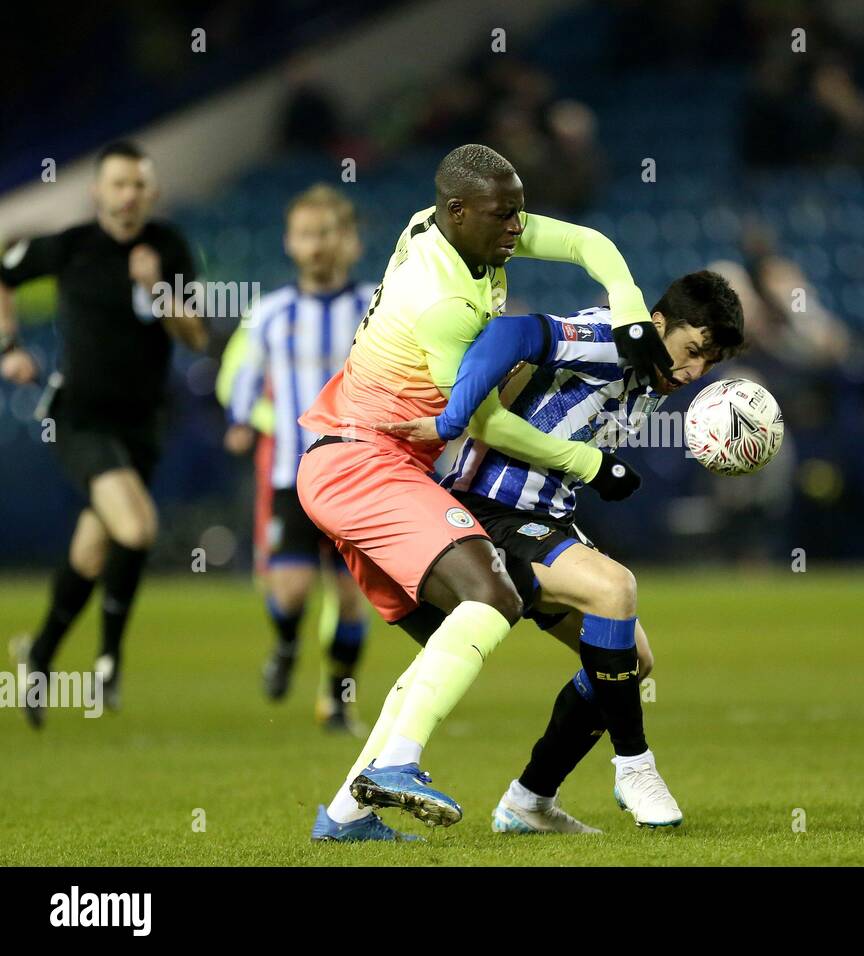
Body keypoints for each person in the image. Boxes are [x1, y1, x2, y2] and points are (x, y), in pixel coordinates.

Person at [300, 143, 658, 842]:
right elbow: (485, 420)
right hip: (363, 463)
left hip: (366, 462)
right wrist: (587, 464)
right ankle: (400, 765)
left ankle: (347, 814)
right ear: (457, 211)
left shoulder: (453, 229)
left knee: (446, 646)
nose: (516, 230)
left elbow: (589, 243)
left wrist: (630, 309)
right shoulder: (441, 300)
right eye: (504, 216)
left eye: (519, 212)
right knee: (492, 594)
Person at [422, 270, 743, 832]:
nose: (694, 372)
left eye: (708, 364)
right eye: (692, 351)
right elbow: (518, 334)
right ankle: (634, 765)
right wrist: (457, 419)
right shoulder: (610, 336)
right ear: (658, 324)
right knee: (615, 588)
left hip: (545, 518)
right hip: (489, 511)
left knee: (633, 661)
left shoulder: (650, 383)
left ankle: (529, 801)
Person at [3, 141, 207, 727]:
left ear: (153, 193)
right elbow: (3, 273)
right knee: (138, 525)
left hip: (143, 422)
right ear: (97, 192)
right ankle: (110, 661)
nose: (128, 195)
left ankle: (39, 657)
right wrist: (8, 347)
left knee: (93, 550)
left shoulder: (168, 247)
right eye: (118, 184)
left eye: (138, 185)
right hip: (80, 418)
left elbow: (194, 337)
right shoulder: (71, 246)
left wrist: (159, 289)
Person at [223, 185, 375, 732]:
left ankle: (337, 702)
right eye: (307, 234)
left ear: (351, 242)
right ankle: (286, 643)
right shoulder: (270, 311)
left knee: (350, 599)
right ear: (290, 242)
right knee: (289, 590)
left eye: (328, 233)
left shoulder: (375, 308)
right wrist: (240, 419)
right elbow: (246, 372)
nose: (317, 245)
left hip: (358, 474)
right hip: (293, 474)